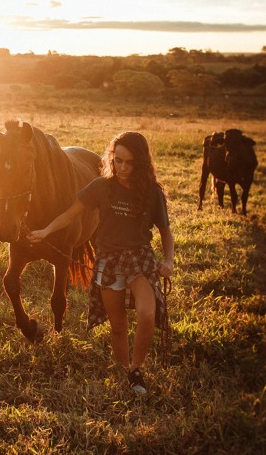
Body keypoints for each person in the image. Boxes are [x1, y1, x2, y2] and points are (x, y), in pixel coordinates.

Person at [27, 131, 174, 394]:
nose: (123, 168)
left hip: (140, 259)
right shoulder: (101, 186)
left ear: (141, 162)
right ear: (111, 159)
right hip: (108, 261)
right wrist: (46, 231)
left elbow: (165, 232)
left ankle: (137, 368)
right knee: (117, 325)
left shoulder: (152, 193)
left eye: (130, 163)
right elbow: (70, 215)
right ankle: (123, 370)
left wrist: (169, 260)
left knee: (147, 314)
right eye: (118, 161)